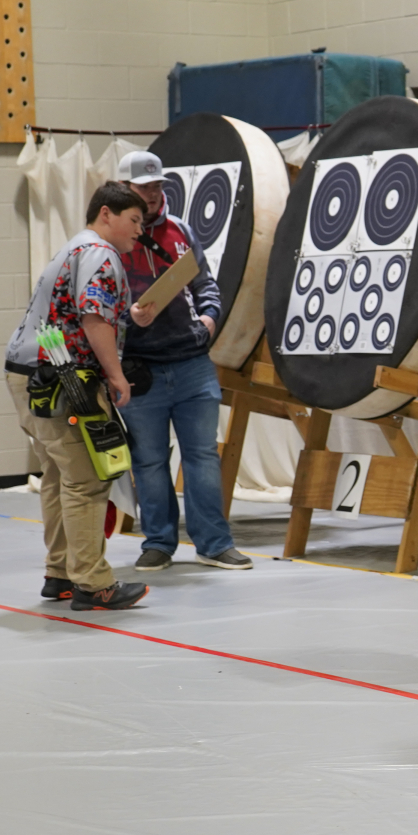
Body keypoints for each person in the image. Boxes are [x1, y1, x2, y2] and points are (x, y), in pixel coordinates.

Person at [2, 181, 156, 611]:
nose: (139, 231)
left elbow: (82, 309)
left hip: (30, 376)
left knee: (58, 476)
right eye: (133, 220)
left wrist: (129, 314)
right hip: (61, 381)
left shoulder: (75, 248)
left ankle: (62, 573)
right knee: (87, 479)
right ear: (106, 213)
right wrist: (116, 375)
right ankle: (93, 583)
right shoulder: (100, 253)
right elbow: (92, 317)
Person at [111, 151, 251, 574]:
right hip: (141, 371)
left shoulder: (181, 230)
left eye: (158, 186)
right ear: (124, 190)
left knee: (202, 456)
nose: (153, 194)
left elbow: (206, 285)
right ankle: (158, 544)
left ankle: (215, 544)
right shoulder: (110, 244)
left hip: (192, 364)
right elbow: (98, 308)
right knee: (150, 462)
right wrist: (129, 318)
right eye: (144, 187)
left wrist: (209, 321)